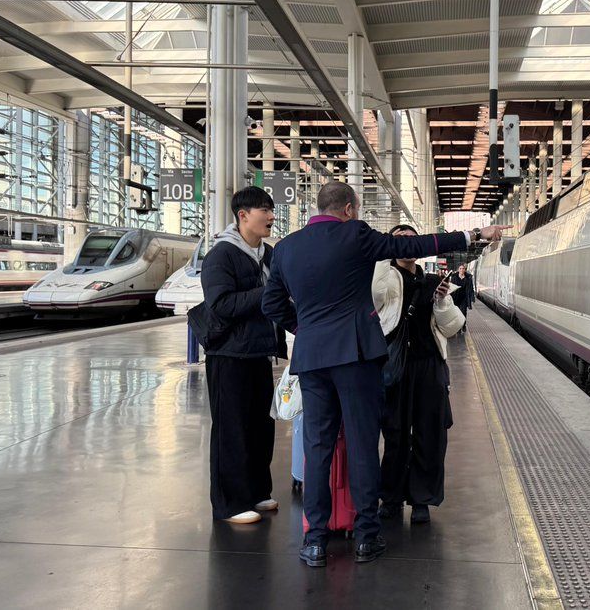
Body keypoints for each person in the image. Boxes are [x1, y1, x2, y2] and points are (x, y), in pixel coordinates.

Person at [261, 181, 508, 568]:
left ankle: (313, 541)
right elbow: (414, 246)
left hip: (312, 359)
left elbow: (272, 303)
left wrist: (306, 329)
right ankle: (366, 536)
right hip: (357, 357)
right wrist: (474, 234)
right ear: (348, 209)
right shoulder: (355, 235)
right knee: (361, 445)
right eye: (355, 210)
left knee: (318, 448)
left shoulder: (286, 248)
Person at [201, 186, 287, 525]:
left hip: (258, 353)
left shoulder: (267, 255)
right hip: (228, 355)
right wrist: (268, 292)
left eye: (270, 208)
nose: (270, 215)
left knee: (259, 426)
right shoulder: (222, 255)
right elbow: (220, 305)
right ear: (243, 215)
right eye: (264, 209)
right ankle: (230, 503)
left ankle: (256, 492)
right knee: (231, 429)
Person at [373, 225, 464, 525]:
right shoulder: (385, 281)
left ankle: (422, 499)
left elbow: (451, 328)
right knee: (396, 434)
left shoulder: (434, 282)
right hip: (394, 367)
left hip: (429, 366)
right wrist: (382, 259)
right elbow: (373, 297)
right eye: (398, 239)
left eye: (411, 239)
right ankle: (391, 496)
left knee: (430, 434)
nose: (406, 245)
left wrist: (441, 301)